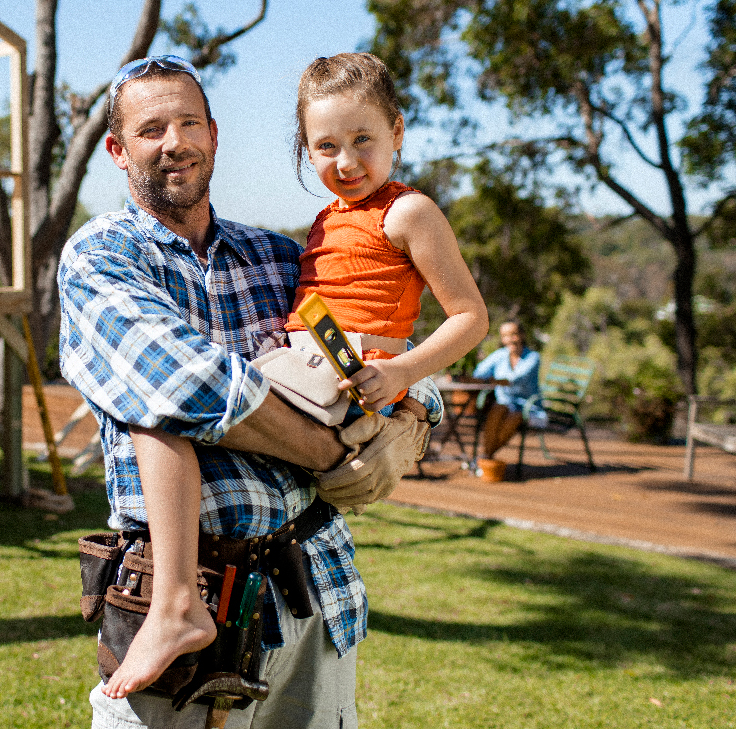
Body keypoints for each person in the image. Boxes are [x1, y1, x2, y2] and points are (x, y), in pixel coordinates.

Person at [99, 51, 489, 700]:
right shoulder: (322, 225)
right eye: (326, 145)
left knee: (163, 406)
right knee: (170, 396)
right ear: (307, 150)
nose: (346, 160)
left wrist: (405, 384)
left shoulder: (408, 212)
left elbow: (467, 317)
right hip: (314, 374)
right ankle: (175, 597)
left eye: (364, 139)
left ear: (398, 130)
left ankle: (173, 604)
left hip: (337, 383)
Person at [60, 55, 359, 727]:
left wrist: (405, 411)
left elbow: (368, 349)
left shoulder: (282, 260)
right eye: (151, 128)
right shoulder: (102, 256)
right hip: (193, 593)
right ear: (117, 150)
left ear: (215, 136)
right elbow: (184, 385)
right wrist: (330, 452)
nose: (175, 142)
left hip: (316, 588)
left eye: (189, 123)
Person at [473, 321, 541, 460]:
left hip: (528, 407)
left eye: (514, 334)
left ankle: (485, 456)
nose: (509, 339)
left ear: (522, 335)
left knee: (515, 416)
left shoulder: (533, 357)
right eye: (505, 336)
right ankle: (486, 458)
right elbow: (479, 373)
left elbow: (514, 379)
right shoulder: (500, 355)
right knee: (497, 409)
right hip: (505, 405)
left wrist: (492, 381)